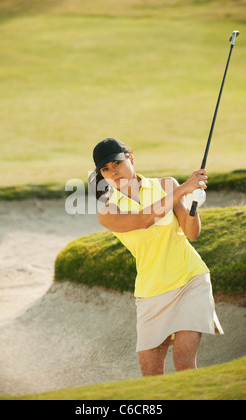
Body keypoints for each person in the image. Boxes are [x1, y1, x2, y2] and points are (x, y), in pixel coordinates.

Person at [91, 138, 224, 376]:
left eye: (117, 163)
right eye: (106, 169)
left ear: (131, 159)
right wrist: (183, 189)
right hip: (151, 291)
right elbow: (144, 220)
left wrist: (193, 206)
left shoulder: (166, 185)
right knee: (151, 377)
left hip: (190, 279)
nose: (114, 172)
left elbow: (192, 234)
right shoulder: (108, 211)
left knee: (184, 362)